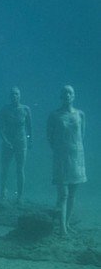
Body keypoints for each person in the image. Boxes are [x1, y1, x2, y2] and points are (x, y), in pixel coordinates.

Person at [46, 85, 86, 236]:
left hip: (77, 157)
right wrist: (60, 150)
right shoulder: (54, 115)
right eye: (65, 93)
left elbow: (82, 134)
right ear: (61, 96)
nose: (68, 95)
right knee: (63, 193)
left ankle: (67, 223)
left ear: (74, 96)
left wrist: (74, 148)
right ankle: (62, 227)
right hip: (61, 158)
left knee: (73, 193)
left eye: (70, 92)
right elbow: (49, 136)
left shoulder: (80, 114)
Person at [0, 86, 32, 202]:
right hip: (8, 142)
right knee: (5, 169)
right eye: (12, 94)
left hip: (21, 142)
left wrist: (30, 141)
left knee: (20, 169)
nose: (14, 96)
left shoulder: (26, 109)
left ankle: (20, 196)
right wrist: (5, 140)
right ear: (9, 96)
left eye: (16, 94)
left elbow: (29, 128)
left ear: (20, 95)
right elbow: (0, 128)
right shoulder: (5, 110)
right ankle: (3, 193)